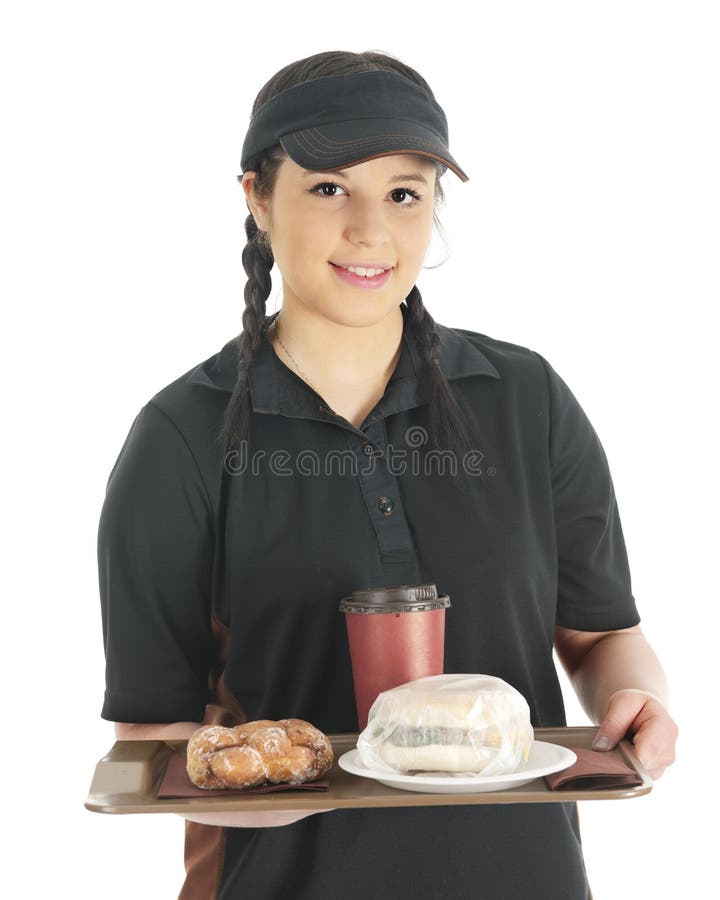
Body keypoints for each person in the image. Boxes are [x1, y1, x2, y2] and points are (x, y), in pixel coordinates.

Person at [97, 49, 678, 900]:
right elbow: (154, 734)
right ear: (257, 198)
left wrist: (637, 700)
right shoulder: (181, 438)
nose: (371, 229)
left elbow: (598, 636)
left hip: (525, 877)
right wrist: (306, 779)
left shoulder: (525, 400)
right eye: (329, 187)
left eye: (404, 192)